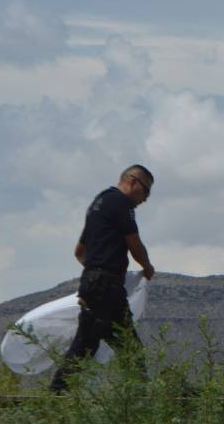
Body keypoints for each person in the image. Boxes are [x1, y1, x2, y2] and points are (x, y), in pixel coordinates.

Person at [49, 165, 156, 392]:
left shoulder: (98, 203)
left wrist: (95, 271)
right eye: (146, 192)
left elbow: (80, 251)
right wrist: (147, 267)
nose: (145, 199)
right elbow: (134, 244)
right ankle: (56, 395)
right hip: (106, 287)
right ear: (134, 181)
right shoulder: (121, 203)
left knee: (105, 346)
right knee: (110, 346)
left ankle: (136, 399)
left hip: (96, 284)